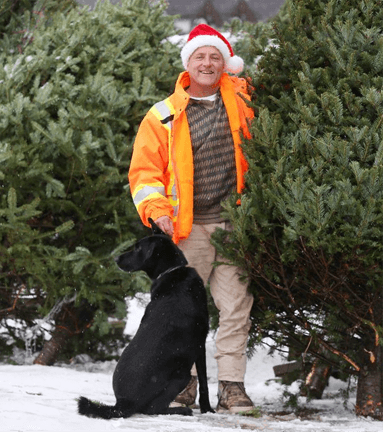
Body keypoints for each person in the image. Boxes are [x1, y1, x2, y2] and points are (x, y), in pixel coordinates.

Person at [128, 23, 255, 413]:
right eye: (200, 56)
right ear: (188, 63)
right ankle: (183, 384)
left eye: (215, 57)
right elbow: (144, 174)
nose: (207, 63)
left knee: (236, 308)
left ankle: (231, 388)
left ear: (225, 65)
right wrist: (157, 213)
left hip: (235, 226)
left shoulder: (242, 100)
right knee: (182, 312)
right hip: (187, 229)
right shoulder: (162, 115)